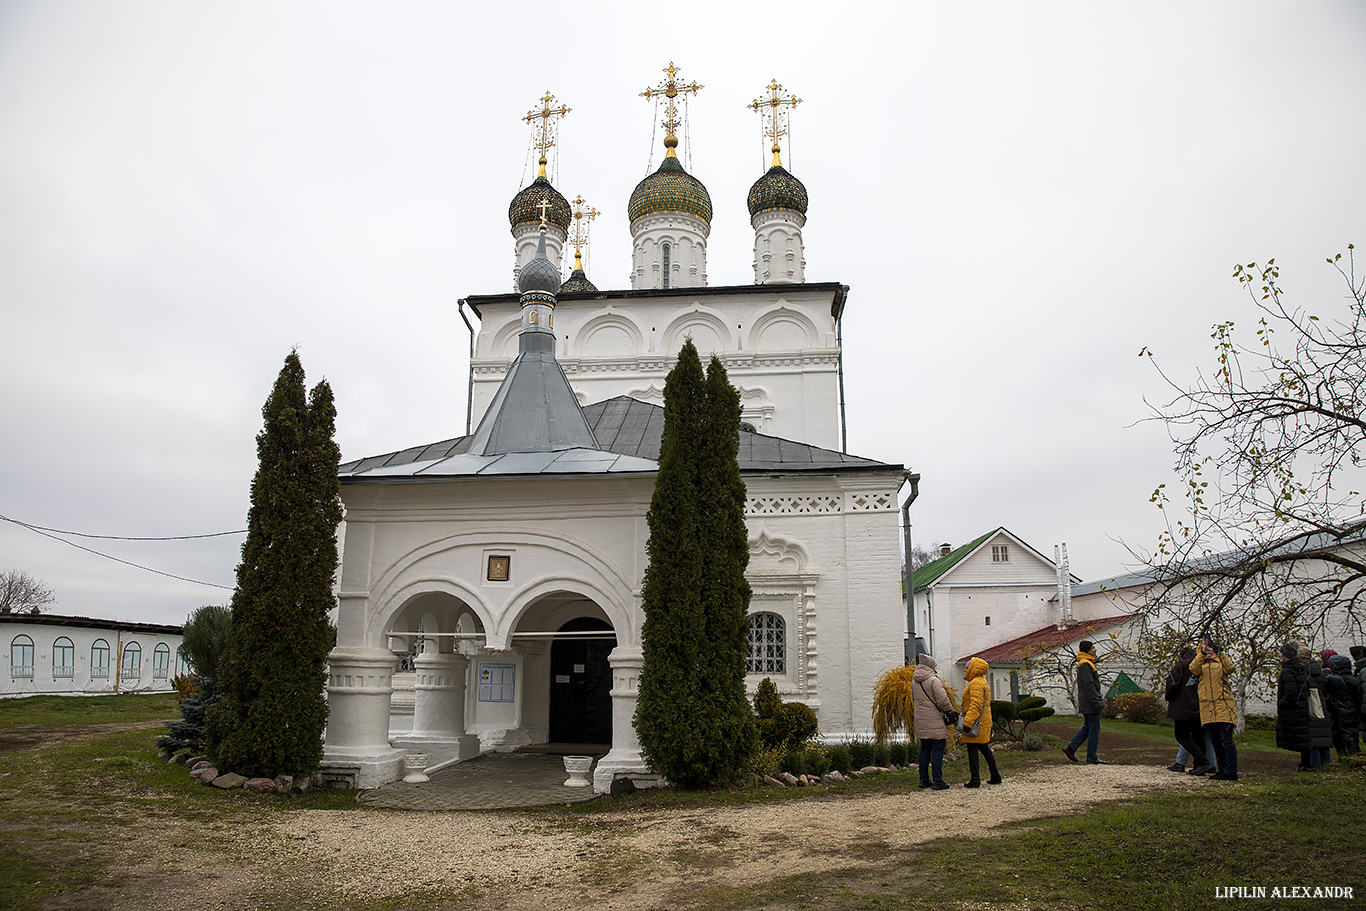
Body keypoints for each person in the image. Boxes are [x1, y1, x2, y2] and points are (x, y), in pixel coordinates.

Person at [1189, 637, 1239, 781]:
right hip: (1207, 706)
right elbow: (1193, 668)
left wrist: (1220, 653)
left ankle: (1231, 770)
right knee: (1215, 740)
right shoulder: (1201, 663)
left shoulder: (1221, 662)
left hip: (1224, 705)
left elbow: (1231, 668)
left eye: (1210, 648)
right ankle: (1222, 769)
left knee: (1227, 740)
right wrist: (1202, 654)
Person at [1165, 647, 1212, 774]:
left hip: (1182, 706)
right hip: (1200, 705)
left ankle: (1202, 761)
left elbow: (1172, 683)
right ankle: (1199, 765)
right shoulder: (1204, 664)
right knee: (1198, 736)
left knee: (1181, 735)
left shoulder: (1181, 665)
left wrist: (1169, 697)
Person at [910, 653, 954, 790]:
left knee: (924, 749)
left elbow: (913, 698)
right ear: (931, 666)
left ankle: (923, 779)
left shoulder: (915, 681)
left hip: (921, 720)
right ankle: (937, 780)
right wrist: (950, 710)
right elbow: (942, 700)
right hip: (935, 719)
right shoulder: (934, 680)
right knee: (937, 749)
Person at [958, 656, 1002, 788]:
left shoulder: (975, 683)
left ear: (973, 669)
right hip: (983, 721)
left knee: (973, 750)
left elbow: (975, 704)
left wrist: (968, 722)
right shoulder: (981, 681)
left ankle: (975, 779)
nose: (965, 670)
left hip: (976, 722)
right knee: (984, 748)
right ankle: (995, 775)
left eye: (967, 668)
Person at [1062, 640, 1105, 764]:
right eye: (1093, 648)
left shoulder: (1085, 663)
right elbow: (1089, 684)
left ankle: (1071, 747)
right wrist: (1096, 700)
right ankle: (1091, 755)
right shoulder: (1086, 664)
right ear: (1087, 650)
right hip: (1090, 701)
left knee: (1088, 726)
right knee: (1094, 729)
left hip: (1086, 700)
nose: (1095, 650)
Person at [1275, 641, 1313, 771]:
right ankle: (1306, 763)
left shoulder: (1287, 671)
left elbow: (1291, 692)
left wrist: (1281, 704)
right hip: (1302, 706)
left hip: (1293, 708)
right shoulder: (1301, 668)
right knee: (1303, 736)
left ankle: (1306, 765)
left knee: (1299, 736)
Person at [1300, 645, 1333, 769]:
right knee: (1322, 736)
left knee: (1311, 737)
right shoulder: (1318, 669)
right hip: (1321, 703)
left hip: (1310, 704)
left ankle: (1314, 765)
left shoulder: (1302, 670)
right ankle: (1325, 763)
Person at [1324, 653, 1362, 757]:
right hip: (1353, 712)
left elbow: (1324, 680)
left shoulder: (1334, 680)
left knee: (1341, 737)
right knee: (1353, 735)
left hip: (1340, 712)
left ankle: (1346, 757)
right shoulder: (1354, 679)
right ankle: (1355, 755)